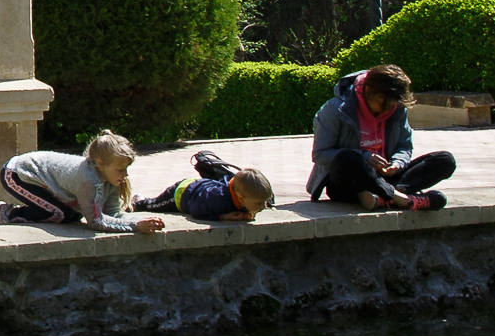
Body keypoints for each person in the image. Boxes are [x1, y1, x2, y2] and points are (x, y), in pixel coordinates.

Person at [308, 60, 454, 211]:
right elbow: (320, 154)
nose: (386, 110)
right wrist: (365, 157)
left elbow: (404, 146)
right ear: (368, 89)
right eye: (381, 103)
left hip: (385, 179)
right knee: (346, 158)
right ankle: (401, 198)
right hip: (350, 182)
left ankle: (384, 197)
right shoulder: (334, 110)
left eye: (390, 105)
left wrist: (397, 163)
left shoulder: (398, 109)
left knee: (445, 160)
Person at [0, 132, 167, 233]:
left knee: (74, 215)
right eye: (120, 170)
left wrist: (144, 220)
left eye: (126, 169)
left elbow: (113, 213)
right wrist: (136, 226)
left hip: (38, 174)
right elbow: (96, 222)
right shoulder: (89, 181)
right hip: (18, 173)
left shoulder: (111, 178)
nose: (125, 175)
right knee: (59, 215)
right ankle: (8, 214)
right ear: (101, 164)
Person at [137, 151, 276, 222]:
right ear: (240, 197)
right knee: (154, 205)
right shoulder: (217, 201)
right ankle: (138, 202)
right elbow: (196, 211)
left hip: (201, 187)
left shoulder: (242, 193)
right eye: (259, 203)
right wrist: (222, 217)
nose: (264, 205)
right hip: (182, 193)